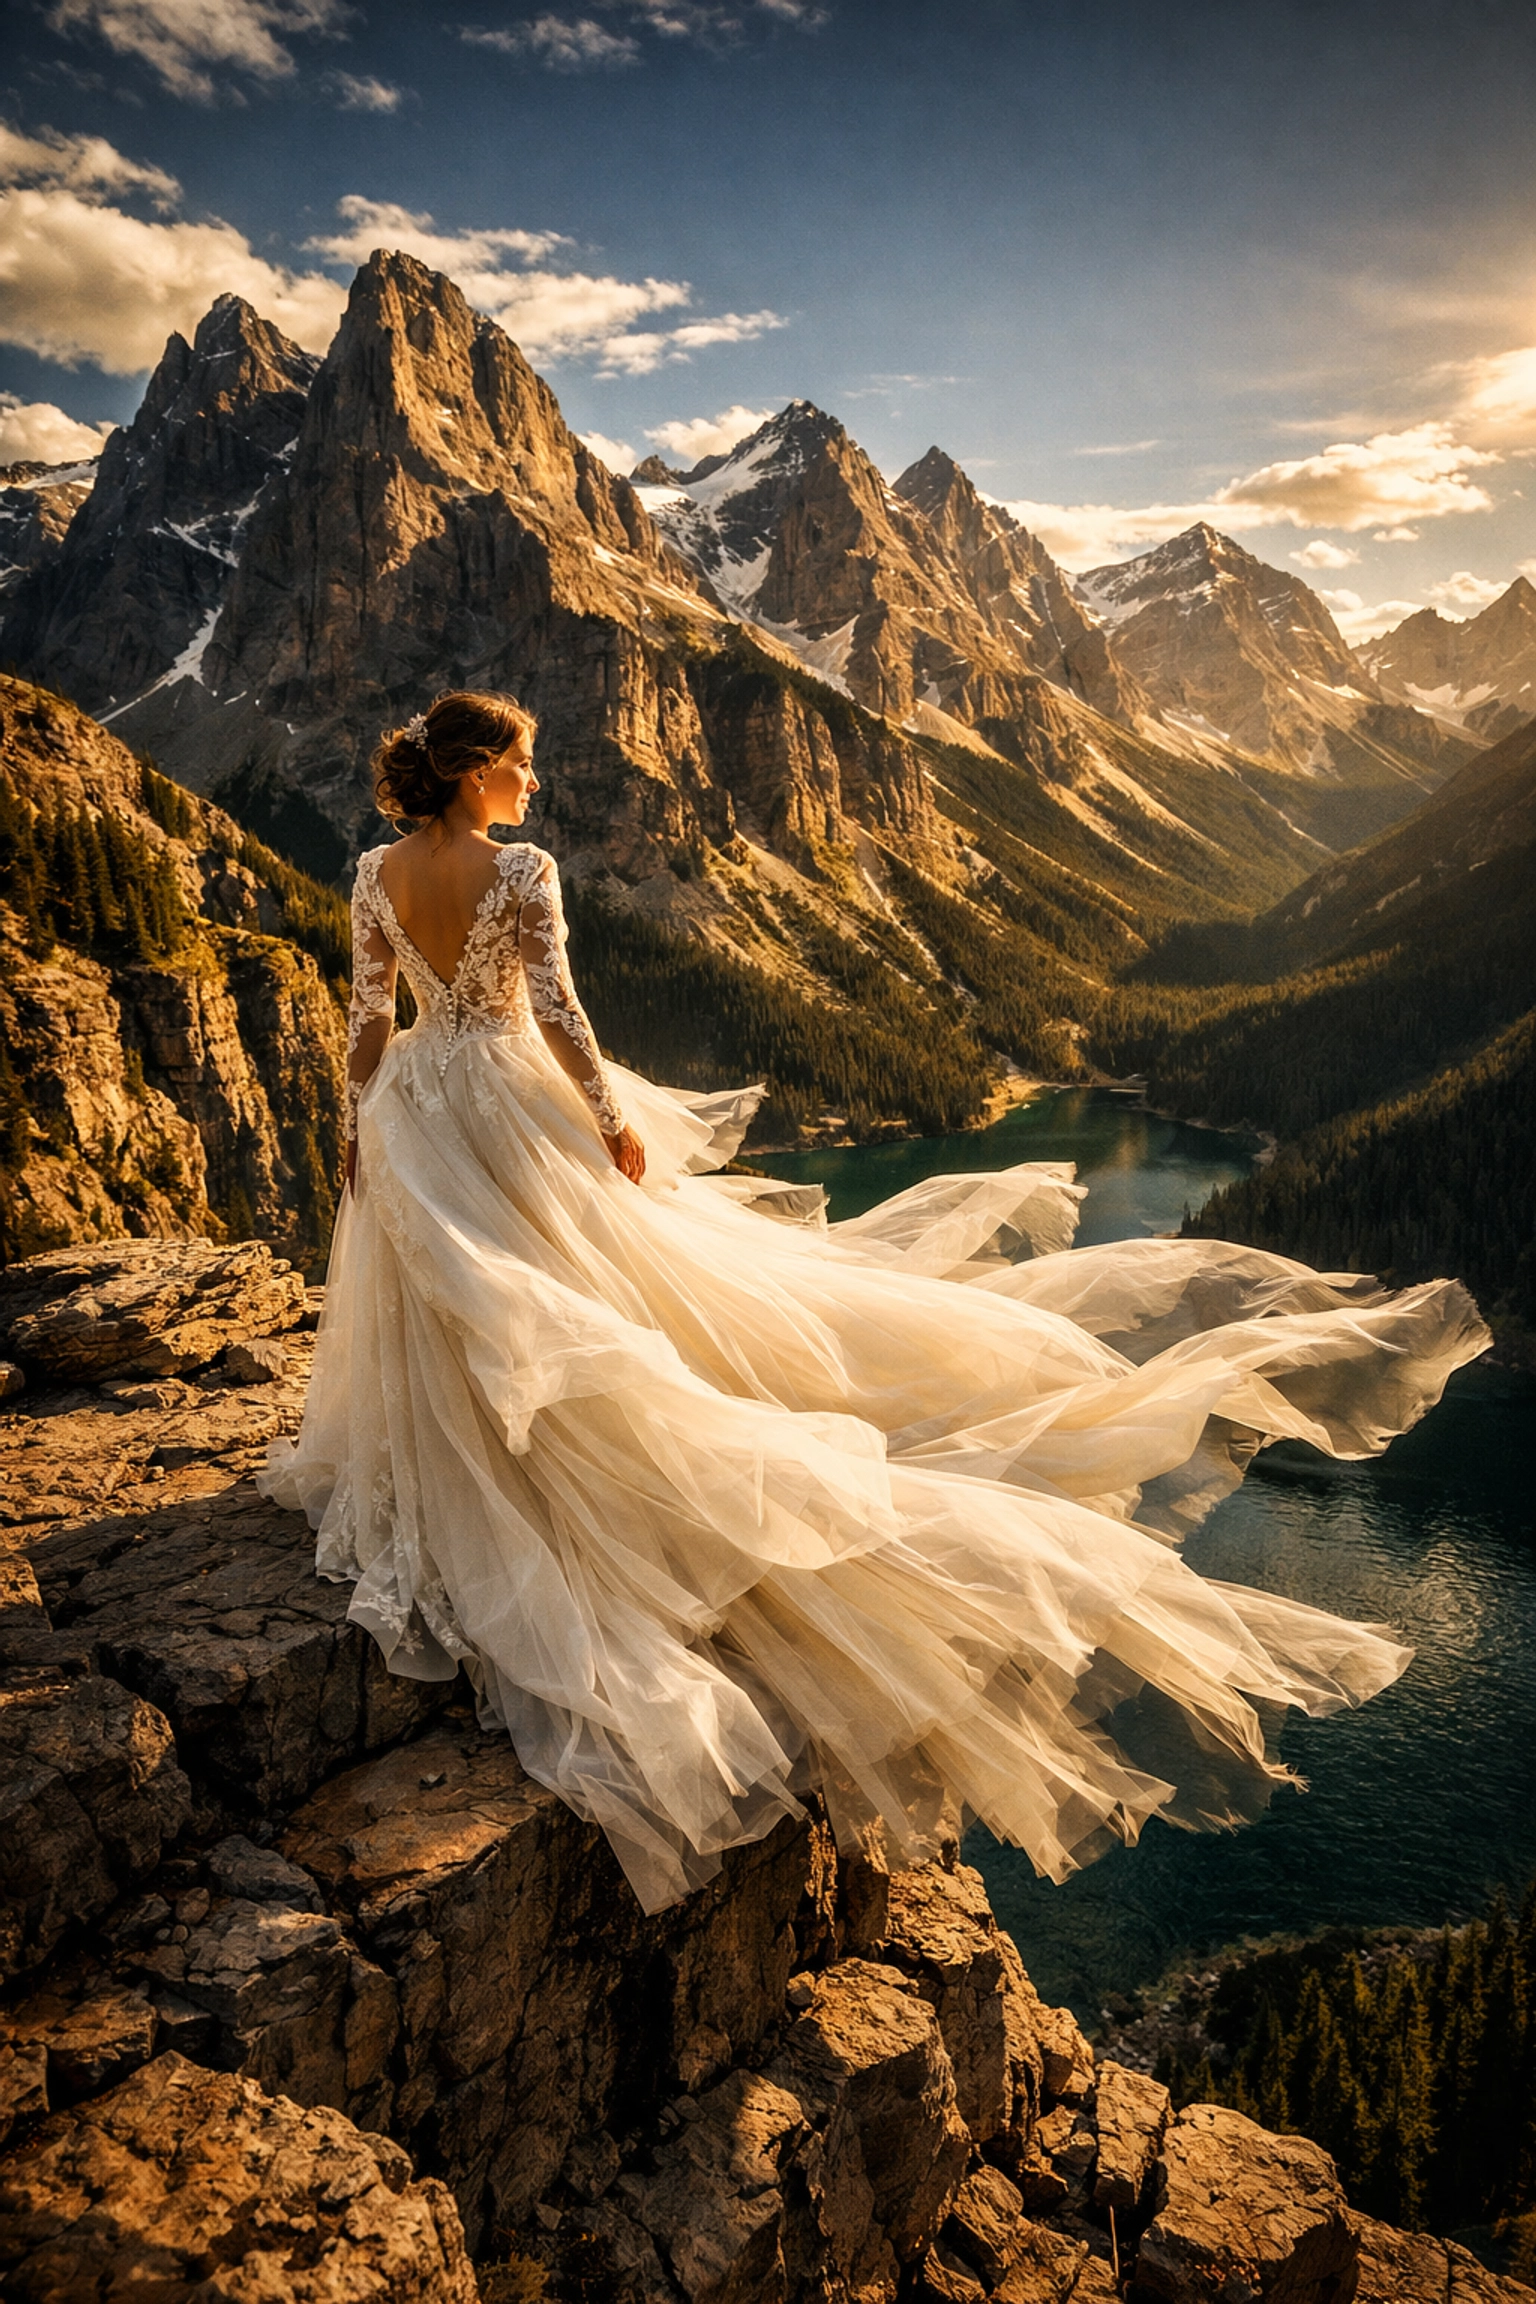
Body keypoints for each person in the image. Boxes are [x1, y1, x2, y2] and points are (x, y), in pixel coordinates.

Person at [261, 688, 1489, 1915]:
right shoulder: (522, 873)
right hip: (514, 1097)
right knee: (573, 1298)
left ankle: (469, 1461)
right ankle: (583, 1482)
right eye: (524, 765)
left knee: (471, 1300)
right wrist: (611, 1117)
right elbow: (566, 1016)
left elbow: (371, 1021)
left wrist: (369, 1137)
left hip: (419, 1106)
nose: (538, 785)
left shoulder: (373, 876)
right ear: (478, 773)